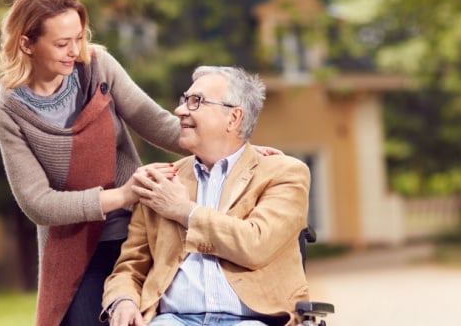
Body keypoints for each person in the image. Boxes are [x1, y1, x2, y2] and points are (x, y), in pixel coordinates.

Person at [0, 0, 279, 326]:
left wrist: (234, 147)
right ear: (27, 43)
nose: (75, 51)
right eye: (61, 43)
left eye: (79, 38)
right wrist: (123, 194)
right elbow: (38, 203)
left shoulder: (96, 67)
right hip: (75, 244)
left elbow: (155, 122)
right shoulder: (9, 110)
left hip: (137, 229)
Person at [101, 66, 311, 326]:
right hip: (172, 319)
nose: (180, 111)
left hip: (251, 320)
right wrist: (123, 300)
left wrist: (183, 210)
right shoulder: (161, 180)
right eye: (184, 100)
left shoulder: (285, 173)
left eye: (196, 102)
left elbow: (255, 245)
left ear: (233, 118)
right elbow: (130, 266)